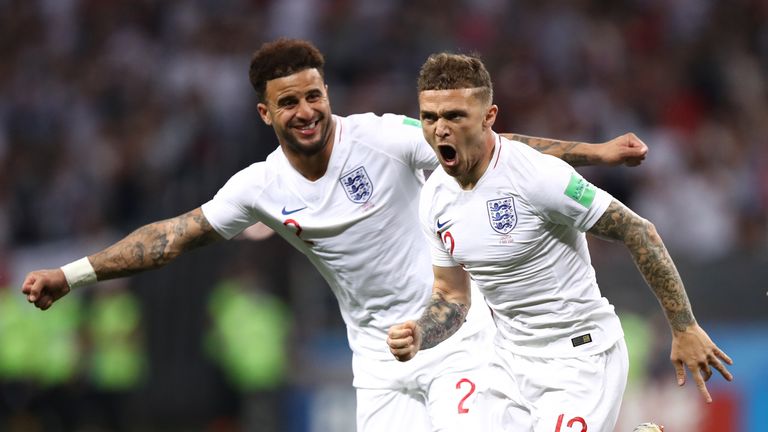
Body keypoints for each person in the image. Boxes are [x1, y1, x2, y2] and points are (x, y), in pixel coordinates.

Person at [21, 39, 647, 431]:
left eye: (314, 95)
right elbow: (173, 237)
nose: (307, 111)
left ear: (328, 94)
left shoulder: (380, 137)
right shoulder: (259, 186)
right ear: (266, 113)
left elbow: (491, 144)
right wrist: (72, 274)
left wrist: (591, 151)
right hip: (376, 361)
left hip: (457, 335)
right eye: (289, 101)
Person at [386, 53, 733, 431]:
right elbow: (451, 295)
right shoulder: (435, 195)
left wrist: (683, 327)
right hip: (506, 362)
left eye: (454, 116)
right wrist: (421, 331)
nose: (440, 130)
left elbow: (638, 230)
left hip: (579, 359)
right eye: (429, 117)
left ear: (489, 117)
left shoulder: (537, 177)